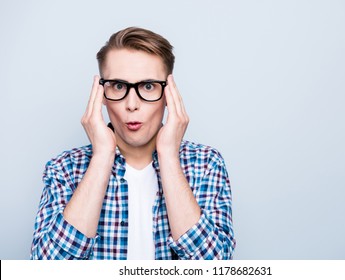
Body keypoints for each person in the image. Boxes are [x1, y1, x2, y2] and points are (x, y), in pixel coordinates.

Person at [30, 27, 235, 260]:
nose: (132, 104)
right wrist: (102, 157)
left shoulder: (205, 164)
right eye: (118, 86)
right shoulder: (64, 169)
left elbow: (216, 267)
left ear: (169, 95)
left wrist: (168, 155)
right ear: (102, 95)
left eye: (148, 86)